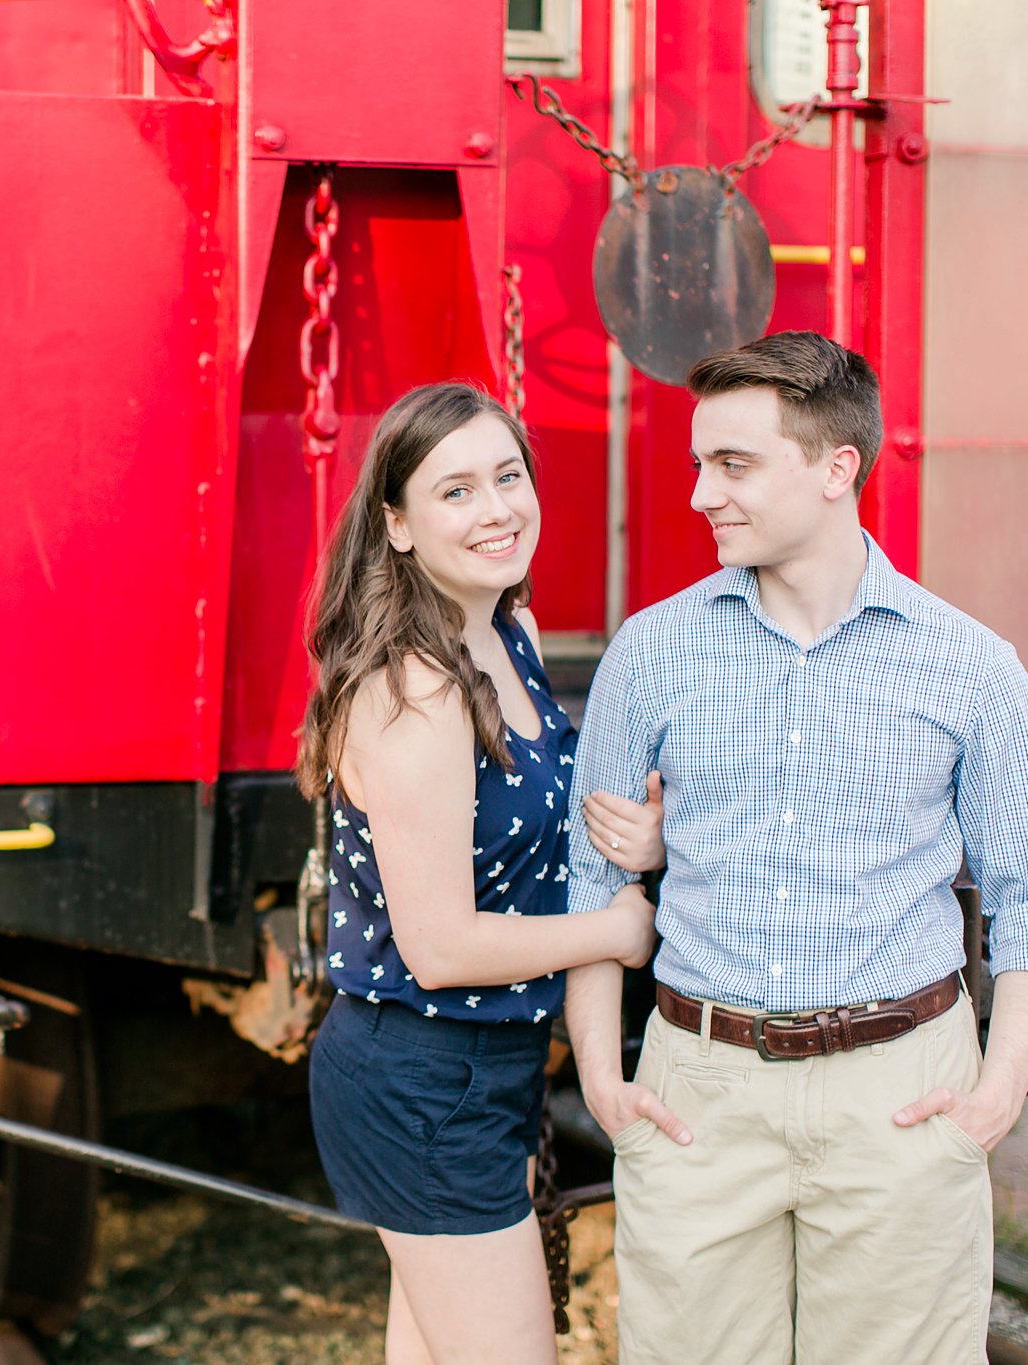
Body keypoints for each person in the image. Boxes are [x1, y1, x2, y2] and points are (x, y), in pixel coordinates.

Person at [564, 330, 1028, 1365]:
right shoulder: (650, 653)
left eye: (733, 465)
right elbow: (595, 874)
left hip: (898, 1095)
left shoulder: (969, 669)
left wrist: (990, 1098)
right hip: (694, 1097)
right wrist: (597, 1075)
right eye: (696, 464)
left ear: (833, 468)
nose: (698, 495)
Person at [298, 381, 663, 1365]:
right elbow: (441, 945)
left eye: (507, 477)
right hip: (419, 1079)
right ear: (399, 524)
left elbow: (545, 827)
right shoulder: (414, 691)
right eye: (455, 490)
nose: (496, 508)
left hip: (480, 1072)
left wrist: (638, 836)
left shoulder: (507, 635)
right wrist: (616, 932)